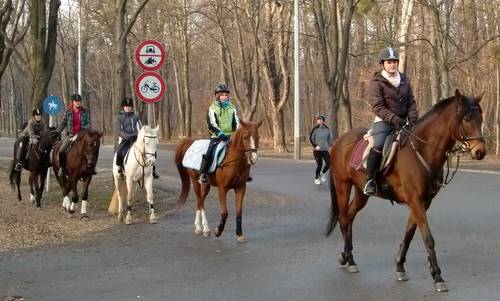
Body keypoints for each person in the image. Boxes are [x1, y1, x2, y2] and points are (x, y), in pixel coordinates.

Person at [364, 47, 419, 195]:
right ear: (382, 64)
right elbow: (378, 107)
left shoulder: (404, 79)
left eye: (395, 61)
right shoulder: (376, 82)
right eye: (389, 62)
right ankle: (370, 180)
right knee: (379, 144)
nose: (393, 64)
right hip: (384, 122)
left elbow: (411, 102)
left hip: (404, 121)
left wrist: (413, 117)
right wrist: (395, 119)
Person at [198, 83, 240, 184]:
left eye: (226, 95)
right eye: (222, 95)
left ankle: (243, 174)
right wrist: (221, 134)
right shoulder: (212, 108)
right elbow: (211, 124)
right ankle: (203, 174)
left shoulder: (232, 108)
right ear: (217, 96)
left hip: (231, 136)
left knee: (243, 152)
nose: (224, 97)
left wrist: (237, 133)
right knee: (209, 153)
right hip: (217, 136)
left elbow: (237, 122)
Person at [115, 96, 160, 180]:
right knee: (120, 151)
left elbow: (139, 127)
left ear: (131, 107)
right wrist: (128, 136)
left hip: (136, 139)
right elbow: (120, 131)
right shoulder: (120, 118)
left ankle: (153, 169)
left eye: (129, 106)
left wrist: (138, 135)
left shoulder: (135, 117)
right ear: (123, 107)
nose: (128, 108)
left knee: (152, 150)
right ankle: (120, 169)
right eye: (126, 106)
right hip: (126, 139)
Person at [56, 93, 91, 176]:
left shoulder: (85, 112)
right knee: (62, 150)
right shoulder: (68, 112)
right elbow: (62, 123)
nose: (78, 102)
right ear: (73, 102)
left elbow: (88, 124)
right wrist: (57, 132)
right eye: (76, 101)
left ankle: (90, 168)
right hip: (71, 135)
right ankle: (62, 168)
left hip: (82, 135)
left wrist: (83, 130)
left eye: (79, 101)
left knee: (91, 148)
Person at [309, 114, 331, 185]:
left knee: (329, 163)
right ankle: (316, 179)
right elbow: (311, 139)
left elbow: (329, 139)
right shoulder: (315, 129)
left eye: (320, 119)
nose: (319, 120)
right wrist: (315, 146)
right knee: (320, 165)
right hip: (317, 150)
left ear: (323, 121)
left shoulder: (327, 129)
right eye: (318, 119)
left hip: (325, 149)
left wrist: (330, 145)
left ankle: (322, 173)